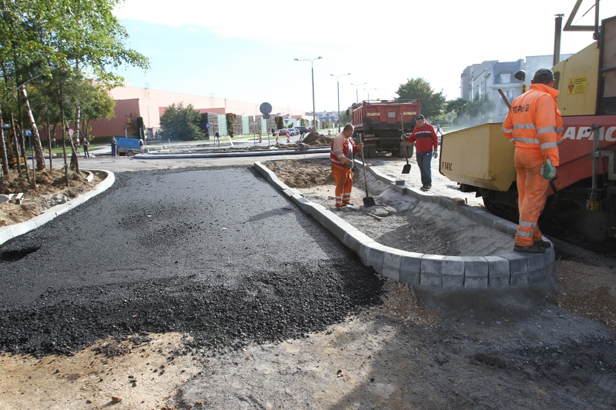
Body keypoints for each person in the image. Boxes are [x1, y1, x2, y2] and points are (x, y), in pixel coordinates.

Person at [502, 68, 563, 254]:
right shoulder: (544, 99)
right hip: (537, 156)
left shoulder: (520, 99)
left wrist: (520, 144)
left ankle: (534, 236)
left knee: (525, 197)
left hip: (520, 154)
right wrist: (552, 159)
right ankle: (523, 240)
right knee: (535, 199)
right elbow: (546, 133)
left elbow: (506, 129)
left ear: (533, 80)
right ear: (551, 83)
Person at [330, 124, 363, 208]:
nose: (352, 133)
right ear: (348, 131)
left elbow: (352, 149)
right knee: (341, 183)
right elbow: (338, 152)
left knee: (349, 182)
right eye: (351, 131)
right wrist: (345, 160)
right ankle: (338, 203)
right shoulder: (339, 138)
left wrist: (358, 148)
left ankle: (346, 201)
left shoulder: (349, 139)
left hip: (347, 166)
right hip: (339, 166)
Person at [404, 114, 439, 191]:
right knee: (422, 168)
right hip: (419, 152)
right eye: (417, 122)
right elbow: (412, 138)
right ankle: (424, 184)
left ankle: (428, 184)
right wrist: (405, 138)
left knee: (426, 167)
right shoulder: (416, 129)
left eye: (420, 122)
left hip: (427, 152)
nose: (418, 124)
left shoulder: (430, 128)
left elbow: (435, 139)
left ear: (424, 120)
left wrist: (435, 150)